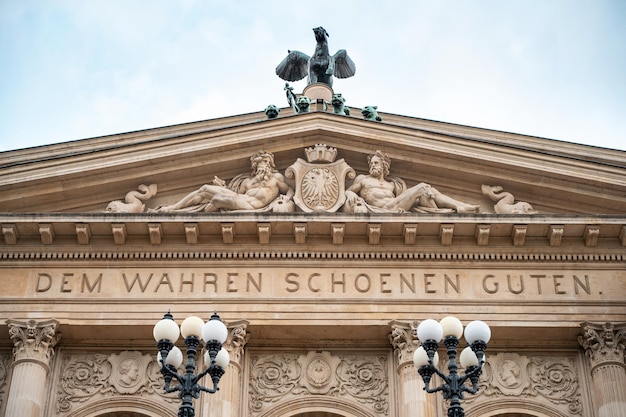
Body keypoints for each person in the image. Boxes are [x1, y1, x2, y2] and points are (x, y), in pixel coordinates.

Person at [152, 151, 294, 213]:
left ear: (269, 165)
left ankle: (206, 214)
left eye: (264, 163)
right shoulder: (248, 182)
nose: (261, 166)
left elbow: (289, 189)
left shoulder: (276, 179)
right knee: (205, 188)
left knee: (217, 199)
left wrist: (286, 198)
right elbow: (235, 195)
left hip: (250, 206)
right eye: (257, 165)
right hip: (240, 199)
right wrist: (222, 187)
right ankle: (173, 208)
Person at [344, 150, 479, 213]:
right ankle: (450, 212)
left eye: (376, 163)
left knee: (428, 190)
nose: (372, 166)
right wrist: (350, 194)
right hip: (384, 209)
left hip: (396, 207)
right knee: (422, 187)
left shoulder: (392, 185)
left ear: (384, 166)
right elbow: (349, 191)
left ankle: (458, 206)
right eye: (371, 163)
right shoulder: (364, 180)